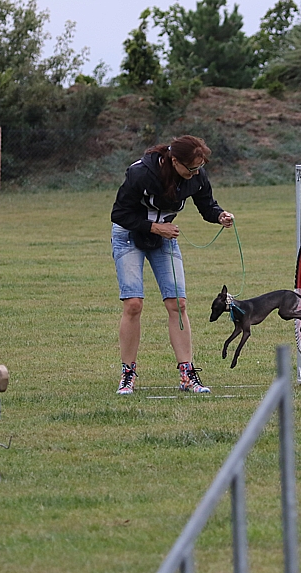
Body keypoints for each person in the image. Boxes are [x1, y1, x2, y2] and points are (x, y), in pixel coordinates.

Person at [110, 135, 234, 395]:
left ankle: (187, 374)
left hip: (165, 236)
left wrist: (220, 215)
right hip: (129, 235)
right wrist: (156, 227)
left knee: (178, 302)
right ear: (174, 160)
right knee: (133, 304)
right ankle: (128, 374)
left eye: (199, 168)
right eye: (191, 168)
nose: (196, 173)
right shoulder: (141, 173)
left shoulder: (196, 175)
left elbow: (206, 205)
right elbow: (119, 214)